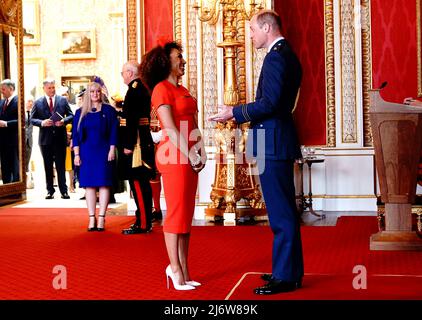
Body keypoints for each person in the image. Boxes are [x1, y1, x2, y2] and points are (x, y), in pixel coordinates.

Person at [209, 10, 304, 294]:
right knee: (281, 209)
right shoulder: (285, 53)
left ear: (266, 27)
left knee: (280, 212)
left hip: (272, 141)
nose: (250, 35)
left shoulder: (277, 56)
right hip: (275, 139)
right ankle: (286, 271)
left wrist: (234, 112)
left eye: (252, 30)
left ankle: (286, 277)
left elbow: (271, 103)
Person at [141, 41, 206, 290]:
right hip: (173, 155)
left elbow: (194, 124)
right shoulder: (161, 89)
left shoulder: (185, 90)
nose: (184, 60)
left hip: (189, 154)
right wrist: (189, 152)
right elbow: (169, 127)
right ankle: (174, 269)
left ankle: (186, 271)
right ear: (166, 61)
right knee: (176, 215)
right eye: (179, 56)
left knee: (186, 216)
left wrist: (201, 150)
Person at [72, 82, 118, 231]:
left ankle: (102, 218)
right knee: (89, 185)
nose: (95, 94)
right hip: (86, 152)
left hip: (104, 151)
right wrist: (76, 155)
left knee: (104, 183)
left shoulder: (109, 111)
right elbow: (76, 135)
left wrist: (112, 149)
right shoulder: (80, 112)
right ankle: (92, 218)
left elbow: (113, 132)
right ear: (88, 94)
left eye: (97, 91)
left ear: (101, 93)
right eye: (92, 92)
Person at [120, 61, 156, 235]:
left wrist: (127, 144)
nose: (122, 76)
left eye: (123, 73)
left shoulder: (135, 89)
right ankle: (144, 220)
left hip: (137, 144)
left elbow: (132, 119)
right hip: (141, 140)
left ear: (130, 73)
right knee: (141, 183)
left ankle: (143, 223)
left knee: (138, 183)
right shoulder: (140, 87)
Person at [31, 78, 74, 199]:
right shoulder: (38, 102)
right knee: (48, 166)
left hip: (60, 138)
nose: (52, 90)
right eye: (49, 88)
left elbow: (71, 115)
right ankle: (50, 190)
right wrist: (42, 122)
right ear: (44, 88)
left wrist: (63, 121)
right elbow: (32, 119)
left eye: (53, 87)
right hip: (45, 140)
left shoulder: (62, 100)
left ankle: (64, 191)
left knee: (61, 166)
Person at [0, 79, 19, 183]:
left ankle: (16, 191)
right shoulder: (2, 102)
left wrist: (6, 124)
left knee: (14, 166)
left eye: (3, 89)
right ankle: (7, 187)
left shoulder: (18, 101)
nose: (1, 92)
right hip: (2, 141)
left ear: (11, 89)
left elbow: (21, 121)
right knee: (5, 166)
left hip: (13, 141)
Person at [24, 96, 34, 173]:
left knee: (27, 160)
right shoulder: (20, 113)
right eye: (29, 101)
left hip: (29, 141)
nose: (31, 103)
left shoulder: (33, 113)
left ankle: (26, 181)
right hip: (21, 140)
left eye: (32, 102)